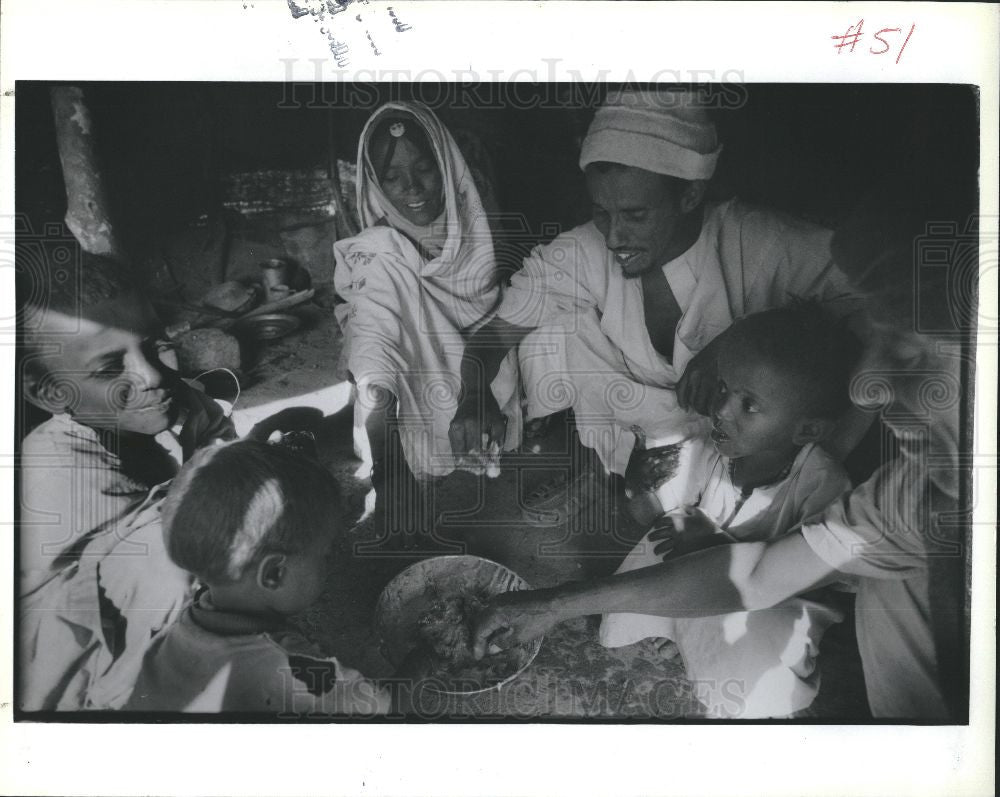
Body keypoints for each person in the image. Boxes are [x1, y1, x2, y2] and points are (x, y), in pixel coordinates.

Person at [470, 171, 973, 720]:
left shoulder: (823, 479)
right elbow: (752, 571)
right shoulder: (904, 500)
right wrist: (555, 603)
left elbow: (793, 580)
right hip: (724, 571)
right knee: (647, 599)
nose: (867, 386)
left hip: (763, 594)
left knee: (764, 672)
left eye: (910, 350)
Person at [449, 87, 860, 523]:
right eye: (602, 212)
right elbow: (494, 334)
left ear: (689, 196)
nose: (613, 237)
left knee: (693, 522)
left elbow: (871, 304)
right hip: (639, 418)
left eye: (635, 215)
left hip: (732, 432)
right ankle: (607, 467)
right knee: (554, 330)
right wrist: (474, 395)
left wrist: (739, 342)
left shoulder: (757, 242)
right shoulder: (585, 250)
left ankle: (684, 484)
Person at [600, 304, 860, 717]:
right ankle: (687, 635)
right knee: (673, 525)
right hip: (702, 580)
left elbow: (824, 582)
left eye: (749, 405)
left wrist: (719, 544)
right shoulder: (707, 448)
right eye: (723, 389)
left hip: (773, 604)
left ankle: (699, 641)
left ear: (807, 429)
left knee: (758, 678)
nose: (721, 410)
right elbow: (650, 516)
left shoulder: (822, 483)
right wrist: (637, 487)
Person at [17, 248, 236, 711]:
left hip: (154, 618)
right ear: (50, 390)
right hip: (72, 668)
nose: (153, 375)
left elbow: (216, 437)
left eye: (155, 345)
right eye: (111, 367)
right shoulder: (53, 466)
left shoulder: (171, 405)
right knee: (168, 561)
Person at [333, 101, 513, 532]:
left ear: (446, 164)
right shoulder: (376, 253)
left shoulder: (477, 220)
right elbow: (374, 344)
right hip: (409, 382)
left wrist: (475, 385)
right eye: (392, 178)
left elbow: (511, 307)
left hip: (482, 368)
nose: (413, 189)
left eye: (425, 169)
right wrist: (388, 471)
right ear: (375, 183)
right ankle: (406, 456)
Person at [124, 440, 392, 715]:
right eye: (325, 553)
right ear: (274, 574)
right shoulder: (291, 667)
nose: (332, 561)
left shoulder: (171, 636)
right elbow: (383, 707)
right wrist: (422, 659)